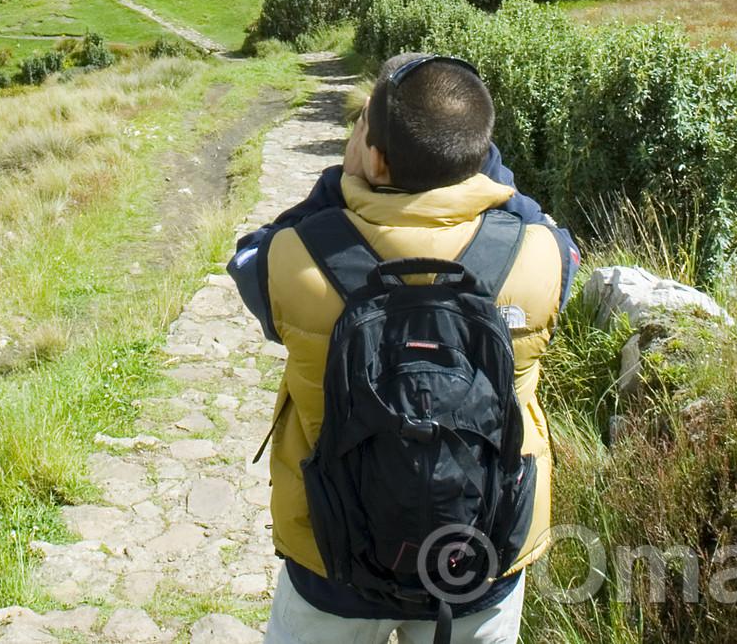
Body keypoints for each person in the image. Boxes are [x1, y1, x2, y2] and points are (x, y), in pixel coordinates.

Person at [228, 53, 576, 644]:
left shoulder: (297, 258)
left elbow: (248, 256)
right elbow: (536, 220)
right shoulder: (539, 255)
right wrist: (484, 173)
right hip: (478, 555)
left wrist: (335, 182)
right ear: (479, 158)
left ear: (375, 155)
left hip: (331, 553)